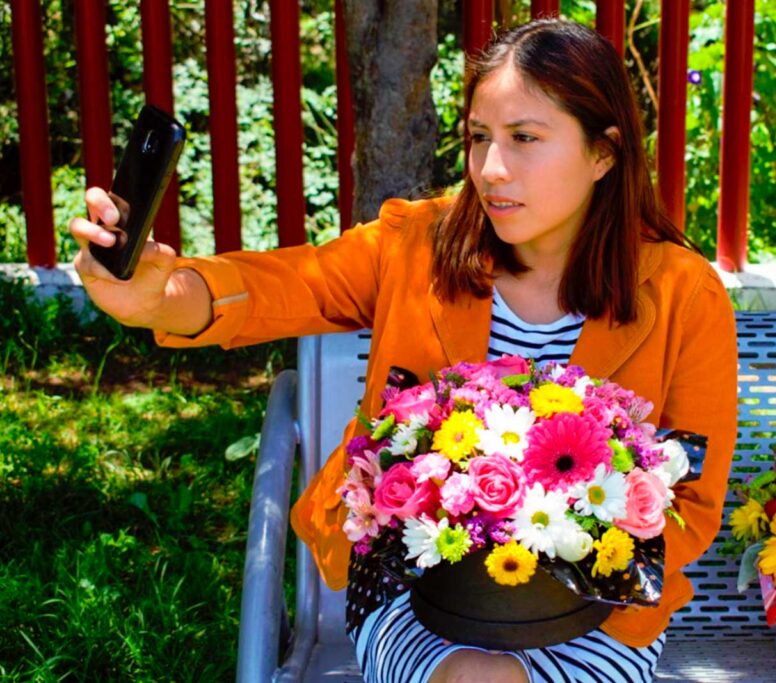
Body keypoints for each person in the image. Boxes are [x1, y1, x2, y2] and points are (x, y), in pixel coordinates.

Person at [70, 19, 737, 683]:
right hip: (409, 585)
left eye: (525, 138)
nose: (491, 169)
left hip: (597, 609)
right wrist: (162, 296)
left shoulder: (682, 293)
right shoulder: (416, 245)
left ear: (604, 153)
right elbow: (280, 287)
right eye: (479, 137)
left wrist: (563, 545)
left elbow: (693, 499)